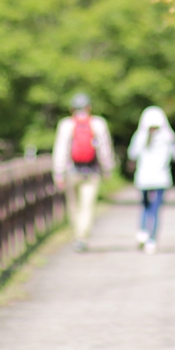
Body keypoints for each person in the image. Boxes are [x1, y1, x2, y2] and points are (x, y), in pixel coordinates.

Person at [53, 92, 114, 251]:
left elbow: (61, 150)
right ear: (89, 107)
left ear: (72, 108)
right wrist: (107, 169)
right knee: (88, 205)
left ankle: (77, 235)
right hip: (92, 172)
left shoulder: (66, 124)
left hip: (71, 172)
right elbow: (105, 149)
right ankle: (83, 236)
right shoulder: (98, 123)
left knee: (73, 206)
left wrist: (58, 174)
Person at [127, 106, 175, 254]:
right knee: (156, 210)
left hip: (143, 178)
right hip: (161, 179)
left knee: (145, 206)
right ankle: (152, 240)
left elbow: (132, 154)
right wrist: (173, 141)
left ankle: (143, 232)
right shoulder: (168, 136)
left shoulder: (139, 136)